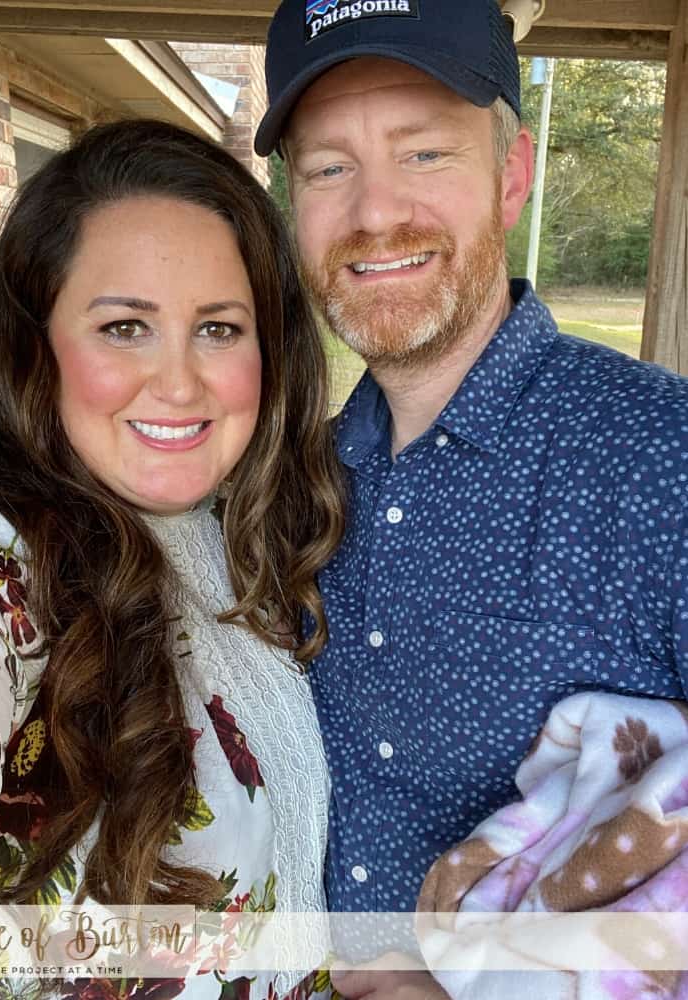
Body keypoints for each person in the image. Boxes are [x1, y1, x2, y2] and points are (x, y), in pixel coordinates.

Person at [254, 0, 688, 948]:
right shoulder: (292, 481)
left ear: (512, 174)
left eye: (425, 154)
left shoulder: (665, 459)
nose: (374, 213)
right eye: (329, 167)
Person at [0, 118, 346, 1000]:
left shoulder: (244, 539)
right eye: (123, 327)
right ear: (36, 344)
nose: (180, 382)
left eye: (219, 328)